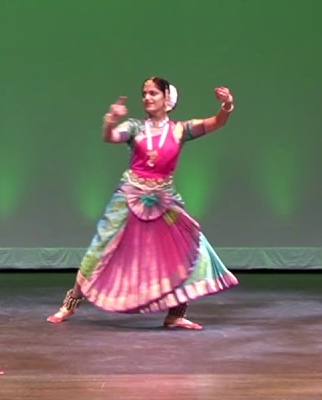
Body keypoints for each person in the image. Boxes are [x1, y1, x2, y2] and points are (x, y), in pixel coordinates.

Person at [47, 77, 238, 330]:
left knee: (190, 245)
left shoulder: (180, 130)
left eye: (153, 93)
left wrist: (226, 105)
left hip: (164, 199)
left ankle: (176, 313)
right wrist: (110, 120)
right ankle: (70, 303)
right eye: (145, 94)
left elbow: (216, 123)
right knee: (101, 247)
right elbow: (111, 136)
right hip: (130, 195)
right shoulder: (135, 127)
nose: (147, 98)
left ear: (167, 99)